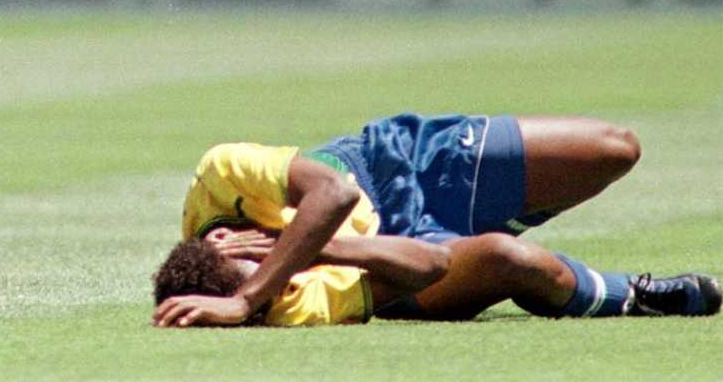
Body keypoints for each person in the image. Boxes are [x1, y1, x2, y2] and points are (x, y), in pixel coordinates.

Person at [151, 112, 721, 327]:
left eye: (262, 269)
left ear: (223, 234)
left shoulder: (217, 175)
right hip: (400, 258)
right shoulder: (285, 302)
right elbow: (429, 264)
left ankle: (496, 211)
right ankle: (628, 295)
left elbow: (335, 194)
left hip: (397, 164)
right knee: (505, 259)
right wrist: (309, 254)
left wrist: (249, 293)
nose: (277, 280)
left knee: (614, 148)